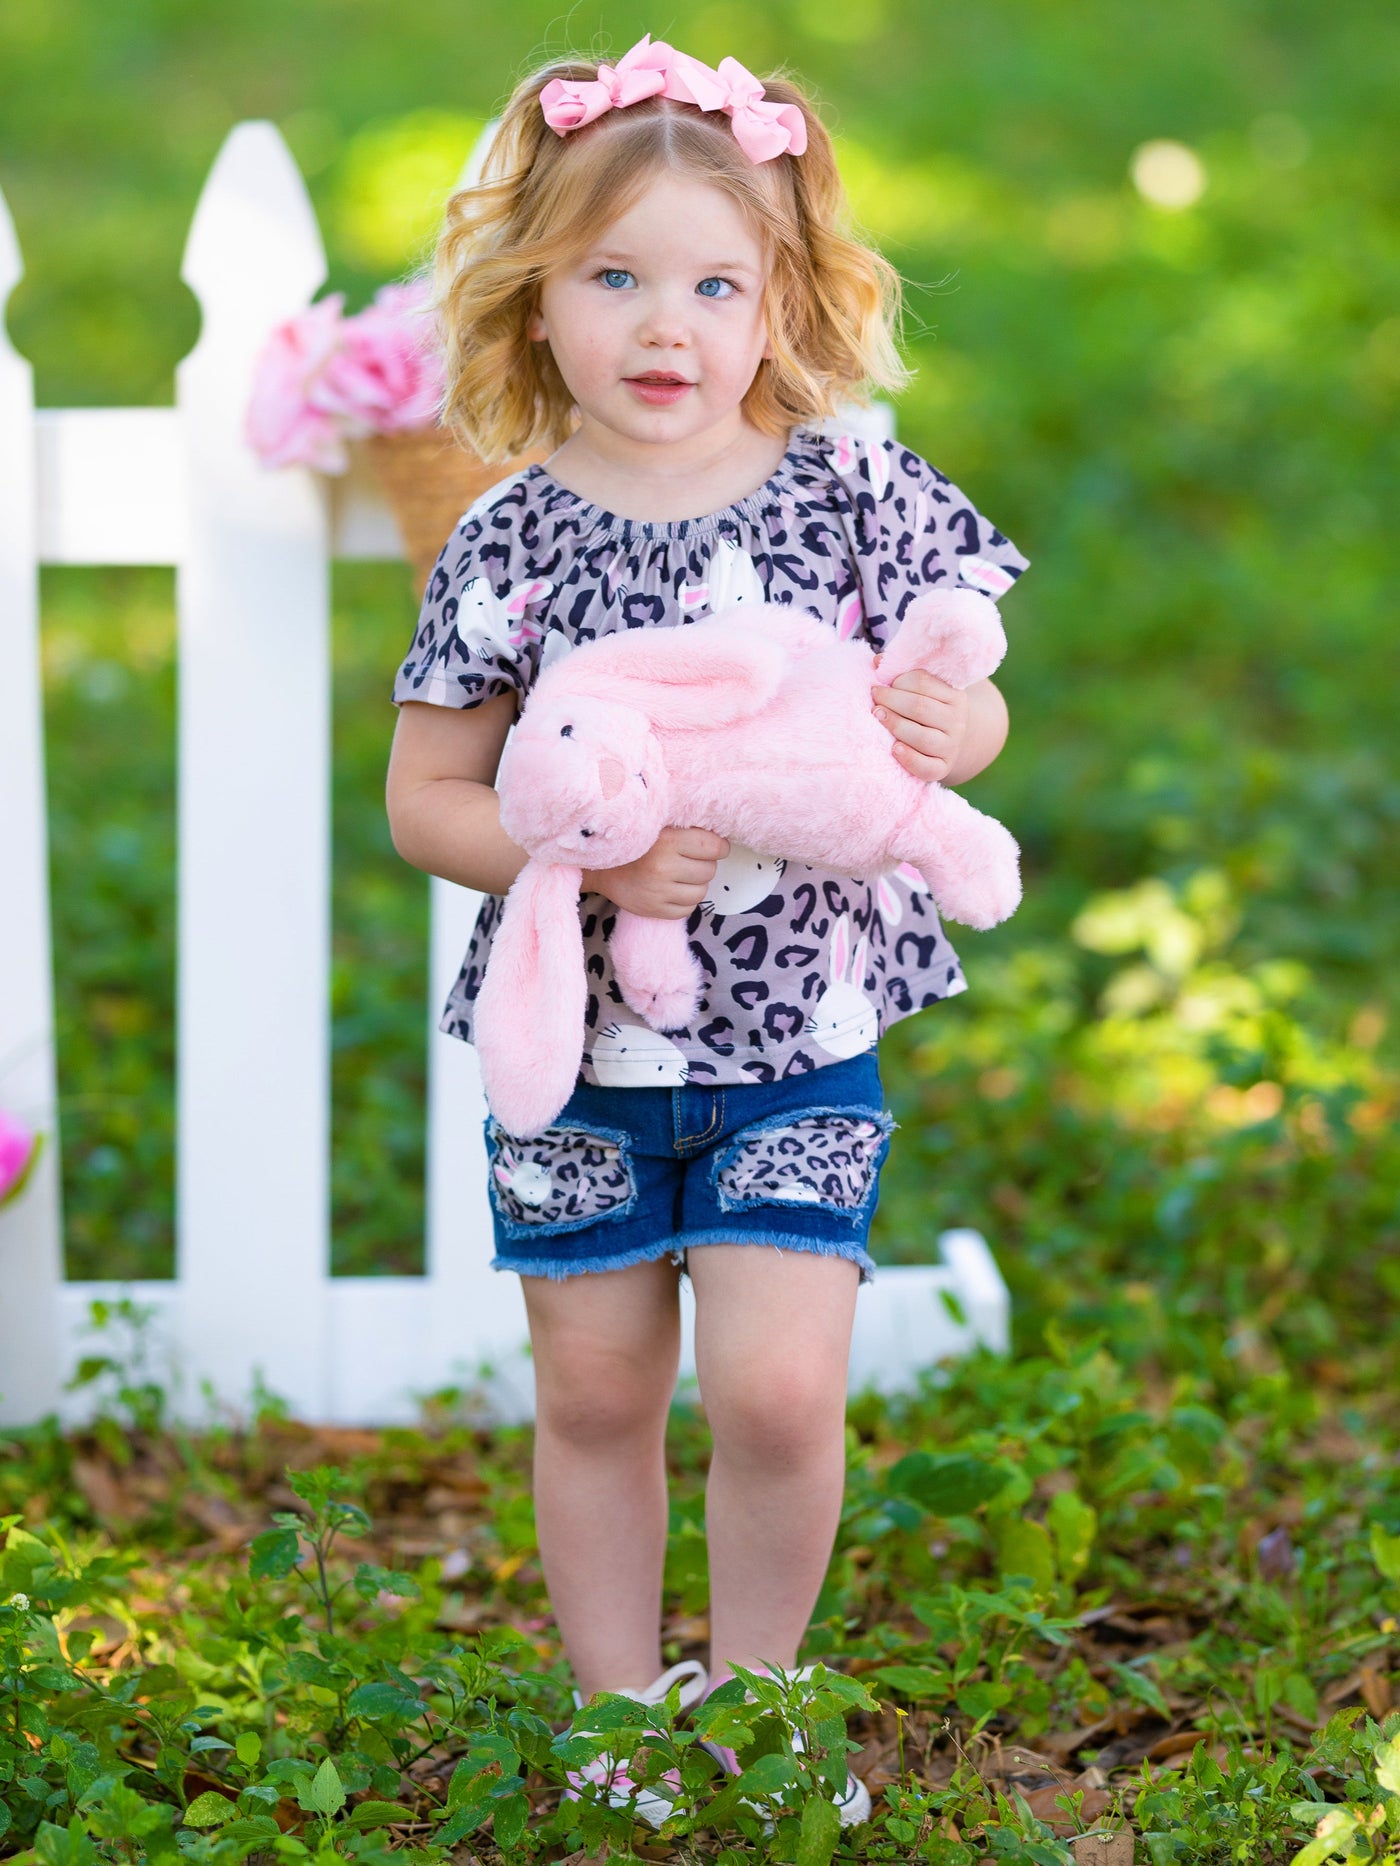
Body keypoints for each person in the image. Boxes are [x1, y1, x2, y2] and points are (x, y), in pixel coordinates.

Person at [385, 34, 1027, 1828]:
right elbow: (427, 793)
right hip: (581, 1055)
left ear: (779, 303)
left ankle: (757, 1697)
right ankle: (615, 1714)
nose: (664, 326)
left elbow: (966, 688)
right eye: (614, 277)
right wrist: (580, 862)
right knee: (594, 1392)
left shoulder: (845, 490)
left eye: (712, 282)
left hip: (799, 1038)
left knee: (767, 1386)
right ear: (535, 300)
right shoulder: (509, 540)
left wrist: (950, 734)